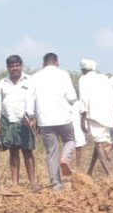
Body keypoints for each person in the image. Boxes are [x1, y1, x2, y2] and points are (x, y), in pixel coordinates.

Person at [26, 52, 77, 191]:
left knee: (51, 151)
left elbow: (29, 100)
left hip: (45, 120)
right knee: (70, 140)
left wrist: (31, 116)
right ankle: (65, 158)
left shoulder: (34, 77)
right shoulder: (64, 75)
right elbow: (72, 97)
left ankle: (56, 183)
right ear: (57, 62)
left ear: (43, 64)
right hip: (63, 118)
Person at [0, 55, 37, 189]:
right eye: (12, 66)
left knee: (28, 152)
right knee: (13, 152)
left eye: (17, 65)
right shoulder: (3, 83)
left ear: (21, 66)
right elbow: (0, 102)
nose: (15, 68)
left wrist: (32, 118)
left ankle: (32, 182)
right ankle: (15, 183)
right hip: (8, 121)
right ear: (8, 68)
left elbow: (33, 100)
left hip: (25, 121)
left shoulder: (30, 80)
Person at [78, 59, 113, 177]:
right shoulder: (104, 78)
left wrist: (82, 119)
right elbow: (112, 96)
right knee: (98, 141)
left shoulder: (83, 79)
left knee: (99, 143)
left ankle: (109, 173)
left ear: (83, 70)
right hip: (108, 114)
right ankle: (90, 171)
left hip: (94, 114)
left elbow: (83, 99)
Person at [71, 99, 87, 170]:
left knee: (78, 147)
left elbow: (84, 113)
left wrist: (83, 125)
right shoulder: (63, 101)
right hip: (68, 126)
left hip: (77, 126)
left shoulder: (79, 102)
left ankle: (78, 166)